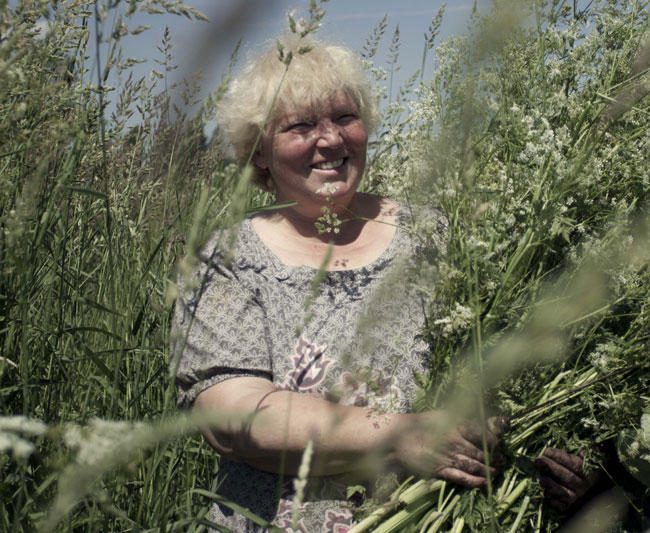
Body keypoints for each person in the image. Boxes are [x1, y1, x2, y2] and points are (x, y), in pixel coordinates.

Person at [172, 34, 596, 532]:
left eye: (345, 118)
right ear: (260, 152)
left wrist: (556, 459)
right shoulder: (229, 260)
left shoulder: (442, 234)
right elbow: (235, 417)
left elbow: (518, 365)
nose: (330, 140)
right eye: (302, 125)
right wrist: (399, 435)